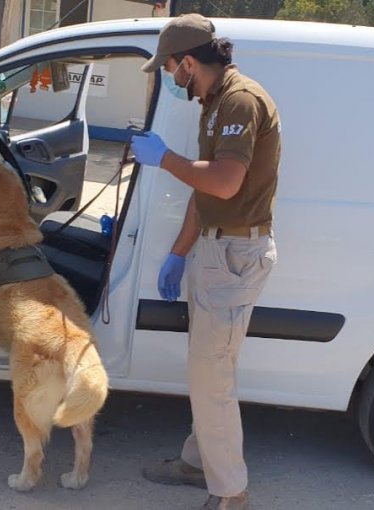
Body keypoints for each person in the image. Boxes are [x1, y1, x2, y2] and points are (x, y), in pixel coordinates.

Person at [131, 13, 281, 510]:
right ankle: (199, 465)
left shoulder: (239, 100)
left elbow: (224, 181)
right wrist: (179, 253)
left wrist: (165, 158)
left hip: (234, 255)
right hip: (217, 251)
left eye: (171, 68)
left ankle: (229, 493)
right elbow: (205, 192)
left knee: (211, 377)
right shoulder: (215, 104)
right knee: (208, 373)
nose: (171, 78)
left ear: (188, 62)